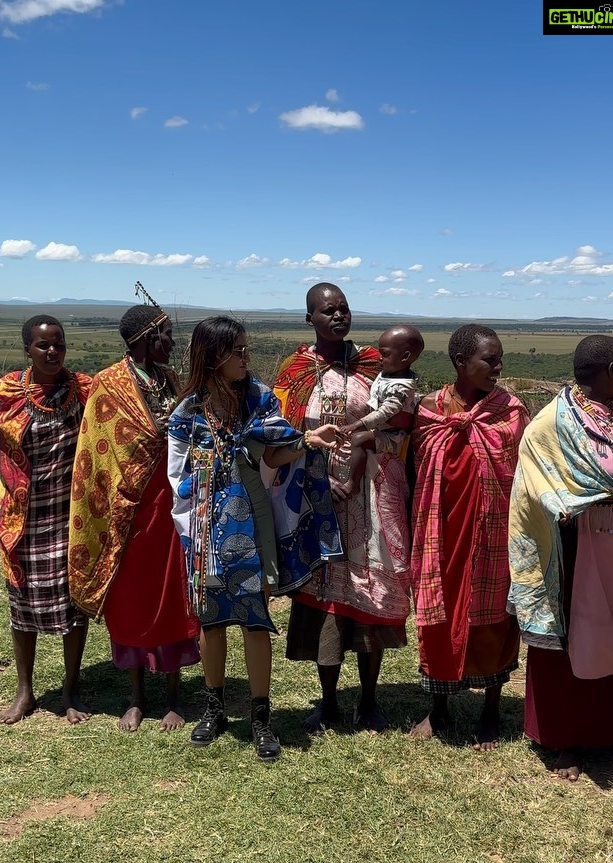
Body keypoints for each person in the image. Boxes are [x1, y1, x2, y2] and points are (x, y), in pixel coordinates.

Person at [168, 315, 343, 761]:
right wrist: (192, 529)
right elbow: (178, 478)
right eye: (238, 351)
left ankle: (261, 718)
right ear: (213, 357)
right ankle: (215, 708)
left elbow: (275, 452)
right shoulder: (187, 412)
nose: (247, 357)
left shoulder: (261, 399)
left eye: (246, 349)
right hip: (205, 525)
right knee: (210, 618)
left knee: (254, 616)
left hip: (252, 520)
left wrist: (308, 440)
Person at [508, 335, 613, 781]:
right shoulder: (550, 424)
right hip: (571, 548)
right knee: (573, 638)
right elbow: (536, 480)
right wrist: (567, 507)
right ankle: (562, 738)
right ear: (611, 368)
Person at [273, 282, 412, 734]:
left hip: (372, 496)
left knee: (370, 588)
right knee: (324, 595)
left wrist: (366, 449)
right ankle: (328, 701)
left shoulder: (378, 364)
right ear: (309, 318)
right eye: (327, 311)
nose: (338, 316)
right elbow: (280, 432)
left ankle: (369, 701)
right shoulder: (294, 372)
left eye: (344, 309)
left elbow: (405, 422)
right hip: (316, 501)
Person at [68, 303, 200, 732]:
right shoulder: (109, 384)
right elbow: (99, 450)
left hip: (172, 504)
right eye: (166, 335)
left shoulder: (170, 380)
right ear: (145, 338)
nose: (172, 343)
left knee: (174, 594)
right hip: (126, 509)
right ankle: (136, 696)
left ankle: (175, 696)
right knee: (132, 597)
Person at [410, 324, 528, 750]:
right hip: (441, 534)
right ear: (461, 362)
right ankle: (438, 707)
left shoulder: (511, 412)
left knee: (495, 615)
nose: (498, 367)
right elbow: (413, 471)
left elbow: (526, 476)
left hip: (496, 534)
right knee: (439, 615)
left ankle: (491, 711)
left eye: (499, 359)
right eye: (489, 360)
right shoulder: (429, 410)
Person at [0, 315, 93, 725]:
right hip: (24, 517)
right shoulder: (8, 393)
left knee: (72, 601)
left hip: (72, 516)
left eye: (58, 345)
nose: (52, 352)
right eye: (42, 345)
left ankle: (70, 689)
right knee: (22, 600)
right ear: (26, 348)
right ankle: (25, 690)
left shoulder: (82, 390)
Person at [340, 324, 424, 495]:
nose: (379, 358)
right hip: (382, 428)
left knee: (358, 440)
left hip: (394, 437)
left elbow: (385, 412)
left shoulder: (401, 387)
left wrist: (356, 425)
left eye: (384, 354)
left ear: (405, 357)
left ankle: (352, 484)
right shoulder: (390, 374)